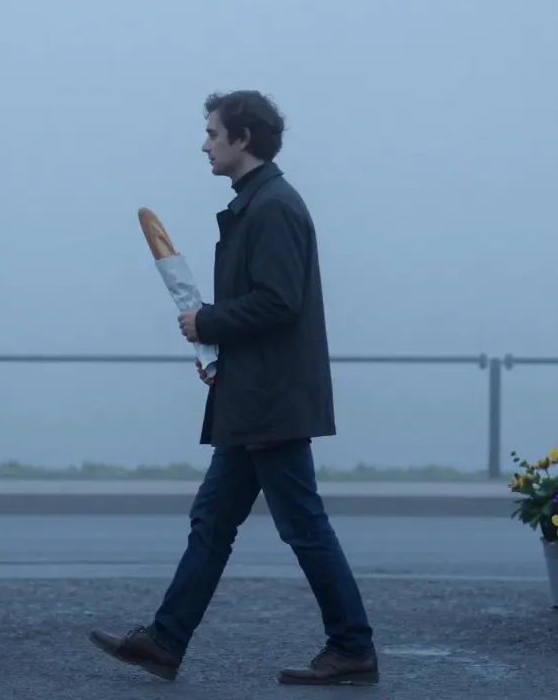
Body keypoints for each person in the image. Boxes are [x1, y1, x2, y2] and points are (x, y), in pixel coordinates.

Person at [89, 91, 378, 686]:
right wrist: (219, 353)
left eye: (213, 133)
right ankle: (165, 641)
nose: (204, 144)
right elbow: (272, 305)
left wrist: (208, 323)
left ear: (243, 137)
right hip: (255, 396)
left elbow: (278, 301)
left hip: (269, 402)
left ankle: (352, 646)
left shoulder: (272, 207)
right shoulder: (259, 202)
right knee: (214, 521)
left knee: (302, 525)